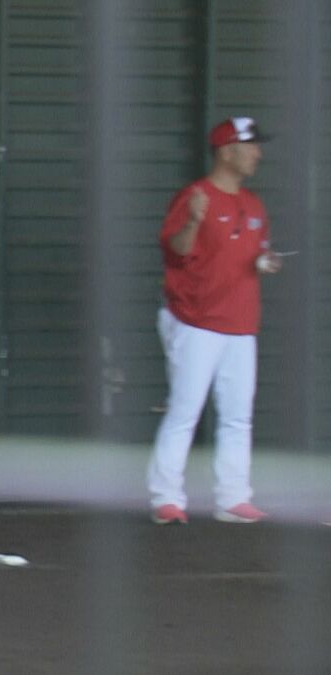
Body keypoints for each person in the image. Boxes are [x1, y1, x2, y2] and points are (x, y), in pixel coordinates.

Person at [147, 117, 283, 525]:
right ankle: (166, 499)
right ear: (227, 151)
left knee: (238, 416)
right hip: (196, 321)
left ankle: (234, 498)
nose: (258, 153)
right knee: (184, 411)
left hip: (241, 324)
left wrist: (265, 261)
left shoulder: (254, 204)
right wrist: (193, 221)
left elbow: (253, 253)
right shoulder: (195, 197)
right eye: (251, 145)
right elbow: (176, 251)